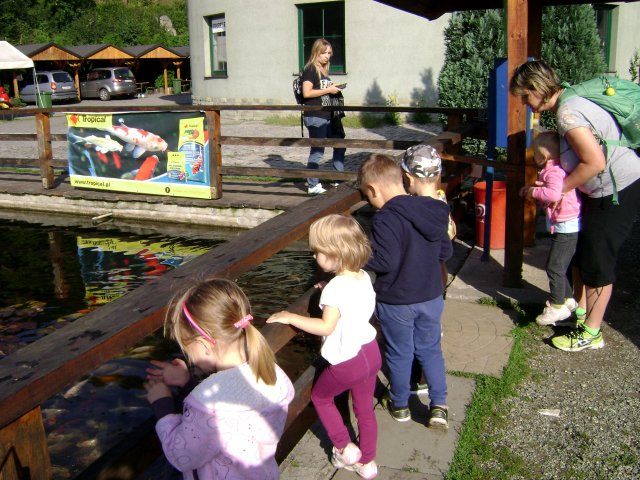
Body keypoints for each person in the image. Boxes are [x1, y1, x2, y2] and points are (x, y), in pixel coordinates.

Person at [510, 59, 640, 352]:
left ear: (536, 88)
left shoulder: (568, 113)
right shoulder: (569, 102)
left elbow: (595, 162)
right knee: (582, 254)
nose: (525, 103)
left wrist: (560, 190)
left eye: (525, 96)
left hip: (616, 189)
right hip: (602, 191)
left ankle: (592, 333)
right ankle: (581, 314)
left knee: (597, 261)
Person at [145, 278, 294, 479]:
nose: (190, 358)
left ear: (205, 345)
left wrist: (163, 406)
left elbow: (181, 456)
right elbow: (226, 421)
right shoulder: (271, 373)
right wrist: (188, 383)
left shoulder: (209, 406)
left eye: (187, 349)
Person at [268, 214, 380, 479]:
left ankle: (343, 447)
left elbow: (326, 326)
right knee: (364, 409)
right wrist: (328, 285)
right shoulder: (362, 276)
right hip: (370, 351)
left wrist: (291, 317)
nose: (314, 256)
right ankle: (368, 462)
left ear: (334, 253)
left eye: (317, 251)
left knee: (321, 397)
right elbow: (348, 299)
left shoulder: (335, 289)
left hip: (348, 360)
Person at [358, 153, 453, 429]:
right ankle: (439, 406)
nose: (370, 202)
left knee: (400, 353)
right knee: (431, 349)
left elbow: (385, 261)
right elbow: (445, 251)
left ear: (374, 189)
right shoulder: (435, 209)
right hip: (431, 296)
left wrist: (360, 255)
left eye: (367, 196)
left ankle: (400, 405)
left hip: (397, 300)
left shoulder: (386, 217)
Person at [399, 144, 454, 395]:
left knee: (412, 329)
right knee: (430, 327)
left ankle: (413, 379)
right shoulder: (441, 202)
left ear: (408, 177)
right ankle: (427, 382)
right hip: (437, 274)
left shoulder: (412, 208)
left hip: (416, 277)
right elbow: (449, 239)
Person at [519, 130, 584, 326]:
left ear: (544, 156)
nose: (533, 157)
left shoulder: (553, 171)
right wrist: (535, 188)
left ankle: (557, 306)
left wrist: (533, 191)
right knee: (558, 265)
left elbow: (554, 194)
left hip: (566, 226)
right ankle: (569, 301)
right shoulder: (555, 169)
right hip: (565, 225)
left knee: (554, 267)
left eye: (535, 153)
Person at [301, 38, 346, 195]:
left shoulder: (323, 71)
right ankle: (312, 185)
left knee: (339, 143)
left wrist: (334, 89)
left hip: (328, 115)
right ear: (316, 52)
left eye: (329, 53)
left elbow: (323, 91)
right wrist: (329, 90)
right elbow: (307, 93)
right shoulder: (310, 70)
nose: (327, 56)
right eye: (324, 53)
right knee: (318, 150)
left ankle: (337, 178)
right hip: (315, 115)